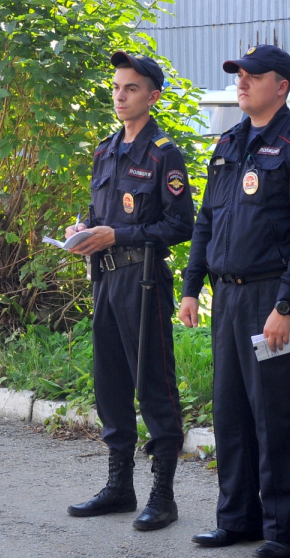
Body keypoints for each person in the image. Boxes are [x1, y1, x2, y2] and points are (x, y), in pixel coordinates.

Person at [179, 45, 290, 558]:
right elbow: (207, 220)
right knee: (232, 412)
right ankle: (237, 519)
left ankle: (286, 531)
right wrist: (190, 286)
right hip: (228, 296)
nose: (241, 83)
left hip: (273, 296)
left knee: (278, 414)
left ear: (281, 85)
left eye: (252, 76)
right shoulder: (229, 142)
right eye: (238, 75)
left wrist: (287, 305)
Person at [64, 52, 194, 531]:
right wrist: (85, 228)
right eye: (116, 88)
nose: (120, 96)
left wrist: (118, 235)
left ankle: (163, 495)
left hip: (143, 280)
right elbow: (102, 213)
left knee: (154, 386)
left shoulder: (164, 153)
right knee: (111, 385)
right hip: (105, 279)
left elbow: (181, 224)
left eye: (131, 88)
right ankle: (120, 485)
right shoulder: (106, 150)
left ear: (152, 95)